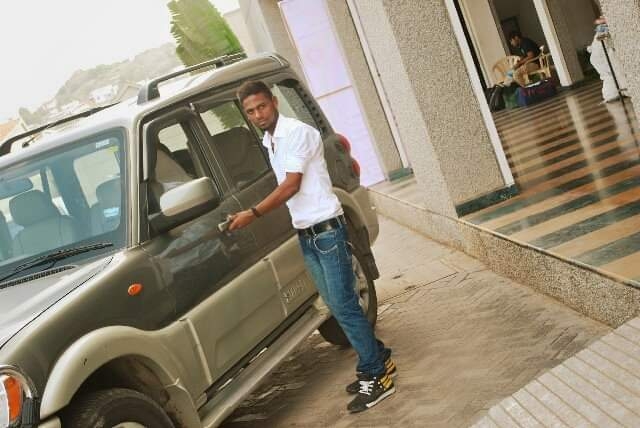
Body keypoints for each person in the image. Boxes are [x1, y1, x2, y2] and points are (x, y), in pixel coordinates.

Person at [228, 80, 396, 413]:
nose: (258, 115)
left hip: (328, 232)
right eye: (251, 111)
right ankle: (378, 357)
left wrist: (253, 213)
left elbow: (291, 185)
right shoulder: (271, 140)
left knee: (345, 305)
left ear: (274, 102)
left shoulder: (296, 133)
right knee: (336, 305)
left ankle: (377, 377)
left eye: (262, 106)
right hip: (308, 234)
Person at [587, 16, 629, 103]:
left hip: (599, 58)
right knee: (613, 73)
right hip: (601, 58)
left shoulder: (601, 31)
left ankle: (615, 92)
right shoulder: (603, 30)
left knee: (611, 75)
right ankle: (617, 91)